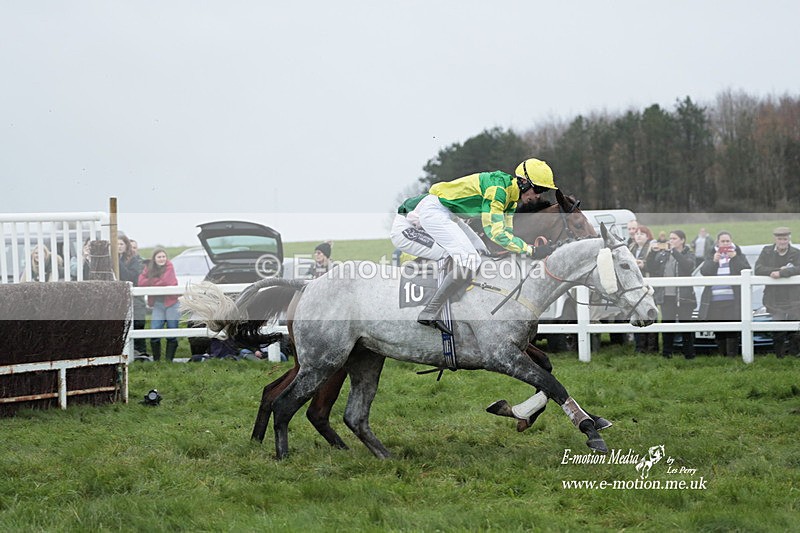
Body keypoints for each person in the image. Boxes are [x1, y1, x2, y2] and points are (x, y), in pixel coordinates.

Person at [392, 158, 557, 334]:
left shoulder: (510, 199)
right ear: (523, 182)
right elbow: (495, 232)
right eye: (538, 189)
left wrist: (528, 249)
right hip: (434, 211)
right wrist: (531, 250)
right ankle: (430, 311)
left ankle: (466, 303)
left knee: (482, 252)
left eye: (543, 190)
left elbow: (507, 234)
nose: (539, 195)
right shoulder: (498, 190)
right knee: (469, 259)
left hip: (449, 214)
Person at [698, 231, 751, 356]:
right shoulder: (711, 255)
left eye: (728, 241)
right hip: (715, 299)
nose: (725, 243)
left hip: (732, 300)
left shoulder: (738, 254)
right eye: (723, 241)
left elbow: (746, 269)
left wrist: (735, 258)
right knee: (719, 329)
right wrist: (714, 261)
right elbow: (704, 271)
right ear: (718, 242)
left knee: (732, 329)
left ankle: (732, 356)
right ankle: (722, 355)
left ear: (731, 242)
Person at [647, 230, 697, 359]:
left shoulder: (689, 254)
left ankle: (689, 354)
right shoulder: (663, 255)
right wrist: (652, 253)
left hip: (684, 297)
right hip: (666, 297)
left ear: (682, 240)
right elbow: (651, 267)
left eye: (674, 238)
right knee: (667, 326)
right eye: (670, 238)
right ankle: (667, 354)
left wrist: (674, 251)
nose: (671, 241)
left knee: (686, 327)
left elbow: (688, 266)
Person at [754, 227, 800, 358]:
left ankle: (794, 355)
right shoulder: (766, 251)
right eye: (780, 239)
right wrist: (776, 270)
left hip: (794, 297)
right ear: (775, 239)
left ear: (789, 239)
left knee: (795, 327)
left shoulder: (796, 253)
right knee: (777, 328)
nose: (782, 242)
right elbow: (758, 269)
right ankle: (779, 356)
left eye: (785, 239)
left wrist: (783, 273)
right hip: (773, 297)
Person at [138, 247, 180, 362]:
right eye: (159, 257)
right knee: (155, 330)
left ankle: (168, 360)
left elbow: (167, 281)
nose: (162, 259)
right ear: (154, 259)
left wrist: (151, 281)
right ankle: (157, 360)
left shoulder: (170, 266)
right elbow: (141, 282)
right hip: (158, 303)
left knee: (172, 331)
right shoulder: (149, 267)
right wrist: (157, 281)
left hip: (172, 303)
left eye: (163, 257)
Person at [629, 225, 658, 353]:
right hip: (633, 287)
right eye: (637, 233)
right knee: (636, 315)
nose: (639, 236)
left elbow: (656, 266)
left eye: (642, 234)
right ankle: (639, 347)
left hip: (648, 286)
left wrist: (644, 265)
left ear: (648, 236)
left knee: (650, 314)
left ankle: (652, 347)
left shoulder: (653, 249)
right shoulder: (629, 249)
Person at [117, 234, 147, 357]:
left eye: (121, 244)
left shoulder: (134, 260)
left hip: (134, 298)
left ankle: (141, 353)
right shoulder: (108, 259)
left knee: (138, 324)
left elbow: (131, 277)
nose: (118, 247)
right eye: (116, 244)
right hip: (118, 299)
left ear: (126, 246)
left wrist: (117, 262)